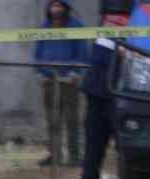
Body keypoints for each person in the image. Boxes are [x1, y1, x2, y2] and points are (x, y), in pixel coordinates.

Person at [77, 0, 132, 179]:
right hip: (112, 97)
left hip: (102, 94)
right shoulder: (123, 23)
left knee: (95, 152)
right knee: (121, 153)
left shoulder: (106, 25)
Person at [33, 0, 86, 167]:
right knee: (52, 119)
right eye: (53, 6)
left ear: (66, 8)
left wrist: (75, 73)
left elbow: (82, 51)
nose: (56, 9)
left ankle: (74, 156)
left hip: (68, 80)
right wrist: (39, 73)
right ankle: (55, 155)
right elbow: (38, 52)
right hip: (48, 79)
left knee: (71, 119)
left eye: (59, 6)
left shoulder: (76, 27)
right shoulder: (44, 27)